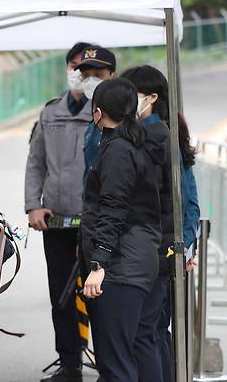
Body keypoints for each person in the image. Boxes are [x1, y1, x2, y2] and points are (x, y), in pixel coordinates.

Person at [81, 77, 164, 382]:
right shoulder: (136, 144)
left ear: (98, 112)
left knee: (115, 363)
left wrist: (99, 264)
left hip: (121, 264)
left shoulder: (118, 151)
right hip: (137, 258)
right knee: (128, 354)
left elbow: (113, 209)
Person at [122, 65, 201, 382]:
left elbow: (186, 200)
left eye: (132, 94)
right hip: (165, 248)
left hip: (159, 249)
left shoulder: (156, 138)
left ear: (152, 97)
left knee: (146, 331)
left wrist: (184, 245)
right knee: (153, 330)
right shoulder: (160, 133)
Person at [24, 41, 91, 382]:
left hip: (96, 225)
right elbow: (36, 163)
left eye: (90, 71)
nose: (82, 76)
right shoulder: (50, 112)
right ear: (68, 70)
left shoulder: (106, 110)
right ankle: (70, 365)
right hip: (58, 222)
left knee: (100, 296)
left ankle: (110, 364)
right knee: (61, 296)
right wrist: (33, 205)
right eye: (77, 69)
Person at [76, 45, 117, 181]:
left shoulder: (122, 113)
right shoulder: (91, 114)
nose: (91, 81)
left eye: (98, 75)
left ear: (113, 75)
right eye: (86, 76)